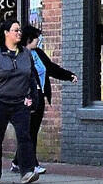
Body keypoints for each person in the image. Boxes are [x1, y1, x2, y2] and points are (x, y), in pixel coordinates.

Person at [0, 19, 42, 184]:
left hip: (20, 103)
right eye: (15, 30)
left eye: (19, 30)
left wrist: (33, 99)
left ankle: (27, 171)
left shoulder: (25, 54)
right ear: (6, 33)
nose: (19, 33)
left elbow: (31, 77)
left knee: (24, 137)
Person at [22, 22, 74, 166]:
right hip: (27, 98)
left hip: (40, 96)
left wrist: (69, 76)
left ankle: (17, 161)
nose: (38, 40)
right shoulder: (20, 55)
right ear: (28, 39)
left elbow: (51, 68)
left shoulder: (38, 53)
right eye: (36, 38)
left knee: (33, 130)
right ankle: (32, 164)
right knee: (29, 131)